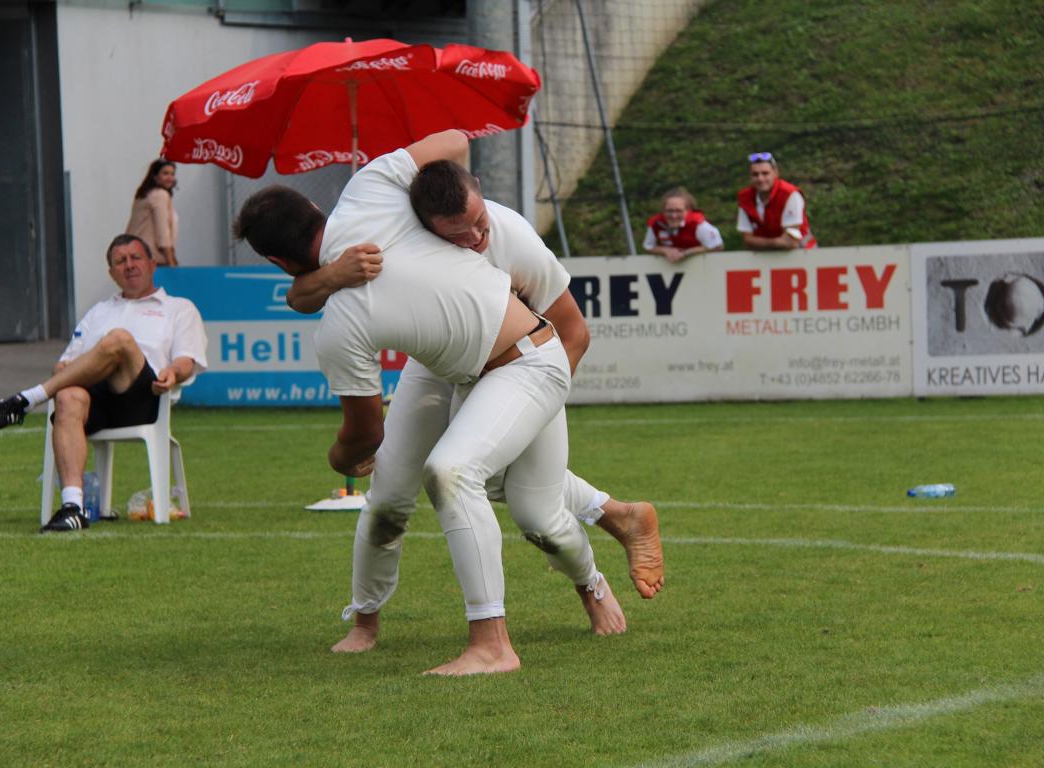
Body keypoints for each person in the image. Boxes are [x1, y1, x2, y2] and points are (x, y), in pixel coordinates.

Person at [233, 130, 622, 676]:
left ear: (276, 259)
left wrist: (339, 460)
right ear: (317, 206)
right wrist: (327, 277)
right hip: (447, 365)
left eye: (473, 224)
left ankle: (507, 635)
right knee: (390, 495)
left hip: (526, 359)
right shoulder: (369, 190)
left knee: (468, 479)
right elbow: (455, 138)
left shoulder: (483, 225)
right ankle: (365, 620)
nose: (471, 237)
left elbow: (362, 437)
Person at [0, 234, 208, 532]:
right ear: (111, 273)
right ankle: (73, 508)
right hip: (96, 403)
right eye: (120, 261)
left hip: (144, 397)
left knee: (120, 340)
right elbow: (64, 364)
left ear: (152, 264)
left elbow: (186, 360)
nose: (129, 265)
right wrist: (64, 369)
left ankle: (27, 399)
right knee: (68, 396)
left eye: (136, 258)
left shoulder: (179, 307)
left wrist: (174, 373)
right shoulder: (98, 312)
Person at [737, 151, 816, 250]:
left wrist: (757, 242)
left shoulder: (790, 194)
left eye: (765, 173)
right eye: (755, 174)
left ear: (775, 173)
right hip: (767, 255)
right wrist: (777, 242)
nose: (760, 179)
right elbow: (747, 239)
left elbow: (790, 242)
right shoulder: (745, 197)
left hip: (804, 253)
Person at [642, 186, 723, 263]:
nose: (674, 216)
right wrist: (665, 251)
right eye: (669, 211)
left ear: (688, 211)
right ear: (663, 210)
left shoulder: (697, 224)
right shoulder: (656, 223)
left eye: (679, 211)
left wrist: (685, 253)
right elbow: (648, 247)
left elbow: (717, 246)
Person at [126, 159, 180, 266]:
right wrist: (172, 263)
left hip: (134, 257)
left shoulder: (144, 195)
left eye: (172, 174)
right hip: (152, 259)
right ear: (155, 176)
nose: (170, 178)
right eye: (165, 173)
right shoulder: (160, 195)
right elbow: (162, 233)